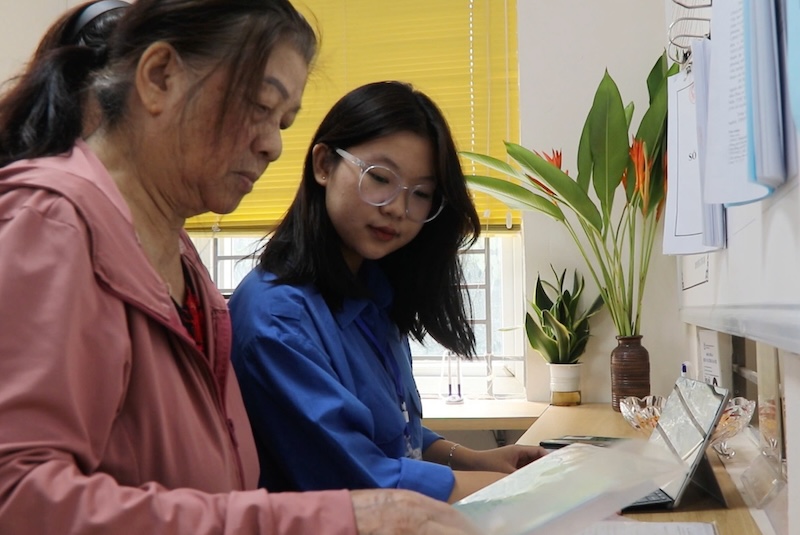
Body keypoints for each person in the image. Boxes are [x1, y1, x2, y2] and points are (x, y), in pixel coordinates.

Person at [0, 2, 479, 534]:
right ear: (160, 77)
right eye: (259, 106)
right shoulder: (52, 222)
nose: (273, 144)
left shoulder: (178, 252)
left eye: (283, 121)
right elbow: (18, 500)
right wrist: (339, 517)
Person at [229, 81, 548, 504]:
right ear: (323, 165)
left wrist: (472, 458)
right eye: (380, 178)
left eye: (420, 194)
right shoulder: (277, 318)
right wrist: (539, 489)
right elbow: (362, 480)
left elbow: (388, 430)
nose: (399, 208)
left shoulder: (374, 291)